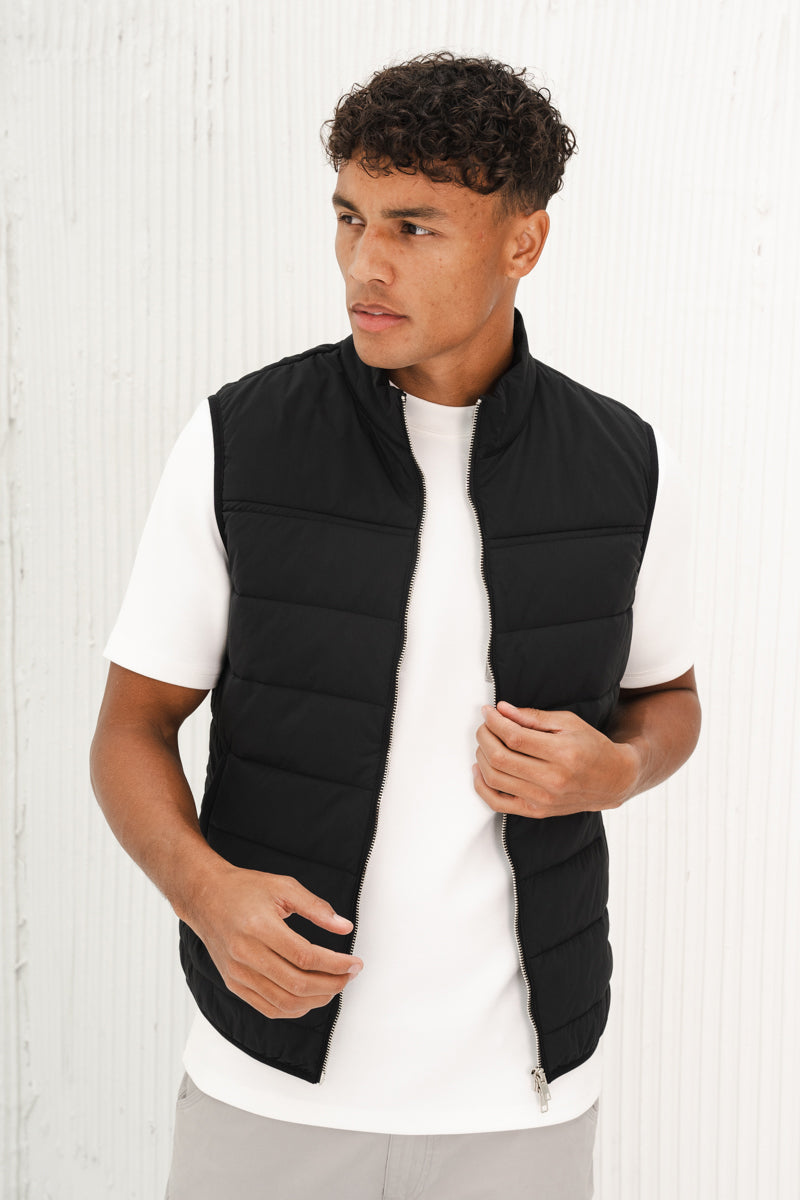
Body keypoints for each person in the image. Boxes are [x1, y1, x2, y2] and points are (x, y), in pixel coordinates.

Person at [90, 51, 701, 1200]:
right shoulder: (242, 442)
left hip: (520, 1102)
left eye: (413, 228)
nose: (364, 264)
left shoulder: (618, 462)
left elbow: (667, 698)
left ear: (522, 242)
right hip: (267, 1089)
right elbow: (130, 727)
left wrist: (616, 769)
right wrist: (204, 893)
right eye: (349, 218)